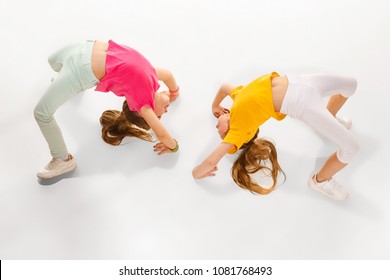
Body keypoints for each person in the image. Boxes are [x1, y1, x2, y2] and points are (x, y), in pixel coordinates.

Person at [192, 72, 358, 200]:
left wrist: (215, 106)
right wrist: (196, 173)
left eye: (219, 133)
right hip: (302, 104)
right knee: (351, 148)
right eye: (221, 135)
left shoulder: (238, 103)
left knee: (351, 84)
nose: (216, 128)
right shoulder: (239, 129)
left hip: (301, 82)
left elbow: (224, 87)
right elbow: (211, 161)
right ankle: (320, 180)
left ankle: (329, 115)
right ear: (232, 136)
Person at [34, 40, 180, 179]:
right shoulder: (151, 77)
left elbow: (161, 133)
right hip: (84, 48)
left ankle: (63, 159)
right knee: (52, 61)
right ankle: (65, 85)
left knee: (41, 113)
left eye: (158, 118)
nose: (165, 112)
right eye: (160, 117)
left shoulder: (143, 105)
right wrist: (174, 92)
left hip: (80, 72)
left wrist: (174, 147)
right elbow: (169, 75)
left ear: (143, 114)